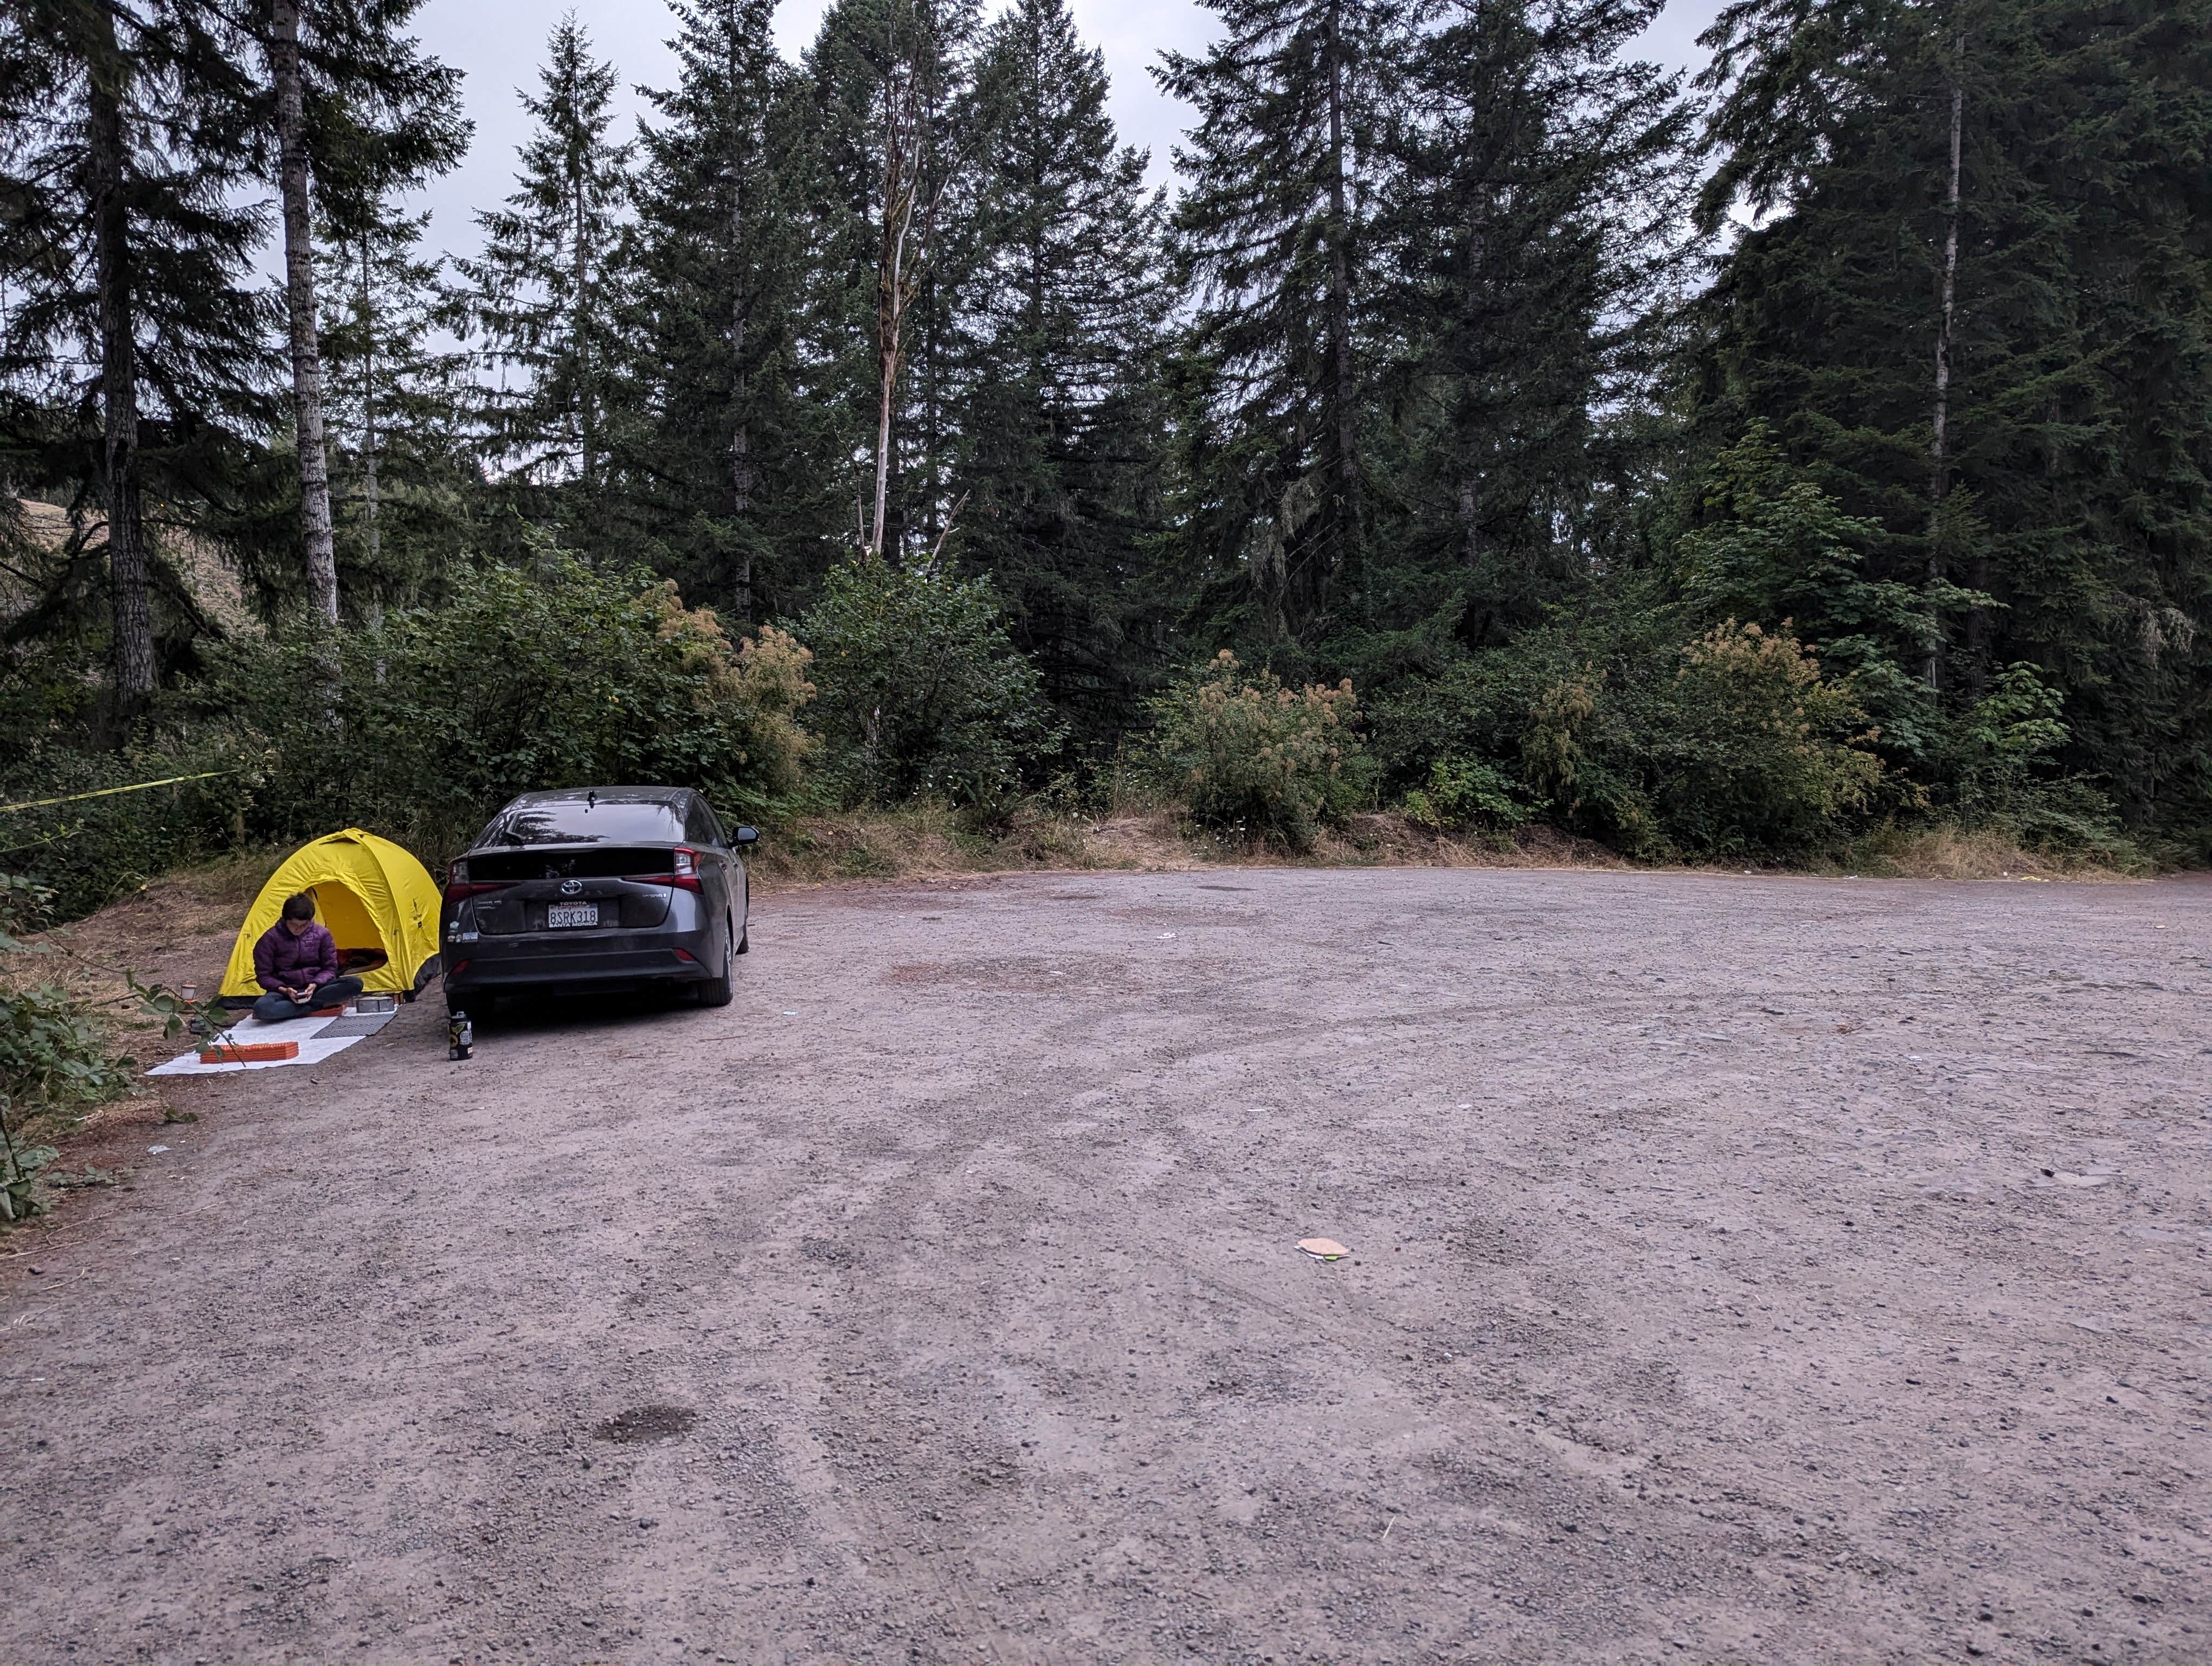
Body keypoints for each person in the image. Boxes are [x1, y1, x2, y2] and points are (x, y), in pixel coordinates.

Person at [252, 892, 363, 1022]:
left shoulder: (322, 934)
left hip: (317, 989)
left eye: (303, 925)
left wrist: (315, 984)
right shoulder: (270, 939)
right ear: (285, 919)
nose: (298, 929)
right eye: (294, 925)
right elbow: (264, 976)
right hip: (285, 992)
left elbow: (330, 969)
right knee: (262, 1008)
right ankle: (316, 1007)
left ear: (310, 921)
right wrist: (284, 990)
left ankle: (294, 1010)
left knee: (355, 983)